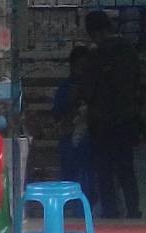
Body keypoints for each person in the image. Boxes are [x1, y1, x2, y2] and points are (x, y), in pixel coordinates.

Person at [77, 11, 142, 219]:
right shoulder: (129, 50)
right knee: (126, 167)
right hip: (126, 118)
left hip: (101, 121)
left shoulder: (95, 56)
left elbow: (88, 90)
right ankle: (133, 209)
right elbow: (137, 84)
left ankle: (110, 211)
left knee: (104, 169)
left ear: (94, 33)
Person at [52, 46, 97, 213]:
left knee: (88, 174)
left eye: (86, 66)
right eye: (80, 66)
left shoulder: (94, 87)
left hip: (88, 138)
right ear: (72, 66)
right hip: (69, 137)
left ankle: (85, 207)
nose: (82, 70)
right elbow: (57, 113)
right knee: (70, 174)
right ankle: (70, 208)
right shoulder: (66, 87)